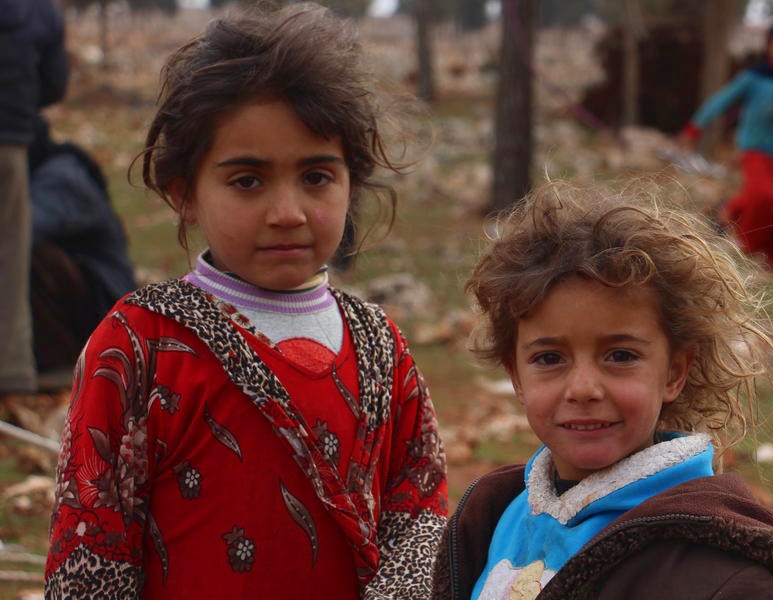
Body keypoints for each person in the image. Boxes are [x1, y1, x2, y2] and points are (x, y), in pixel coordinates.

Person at [45, 5, 447, 599]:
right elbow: (92, 548)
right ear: (184, 192)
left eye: (316, 177)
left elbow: (419, 518)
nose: (287, 212)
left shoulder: (380, 346)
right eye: (247, 181)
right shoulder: (141, 345)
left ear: (350, 183)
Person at [433, 182, 773, 599]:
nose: (583, 388)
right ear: (516, 375)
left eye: (620, 356)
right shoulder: (498, 517)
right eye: (549, 358)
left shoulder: (722, 571)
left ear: (675, 372)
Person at [678, 21, 773, 273]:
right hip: (755, 152)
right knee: (764, 195)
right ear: (770, 45)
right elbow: (720, 101)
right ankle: (745, 248)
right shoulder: (753, 78)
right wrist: (694, 128)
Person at [28, 115, 137, 376]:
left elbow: (25, 229)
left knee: (29, 257)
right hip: (87, 307)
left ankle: (62, 366)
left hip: (109, 316)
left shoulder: (64, 176)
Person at [0, 0, 68, 398]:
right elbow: (54, 85)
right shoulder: (40, 10)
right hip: (9, 143)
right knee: (9, 257)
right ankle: (11, 373)